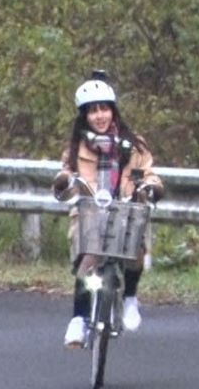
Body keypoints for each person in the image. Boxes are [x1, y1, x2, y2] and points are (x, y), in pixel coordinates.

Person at [51, 71, 164, 348]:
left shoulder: (133, 144)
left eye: (104, 109)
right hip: (91, 213)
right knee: (88, 263)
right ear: (84, 116)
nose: (99, 116)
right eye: (93, 111)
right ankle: (78, 318)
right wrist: (64, 182)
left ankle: (130, 299)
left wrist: (150, 187)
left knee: (135, 248)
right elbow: (64, 177)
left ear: (113, 111)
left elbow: (149, 173)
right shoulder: (76, 147)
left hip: (125, 211)